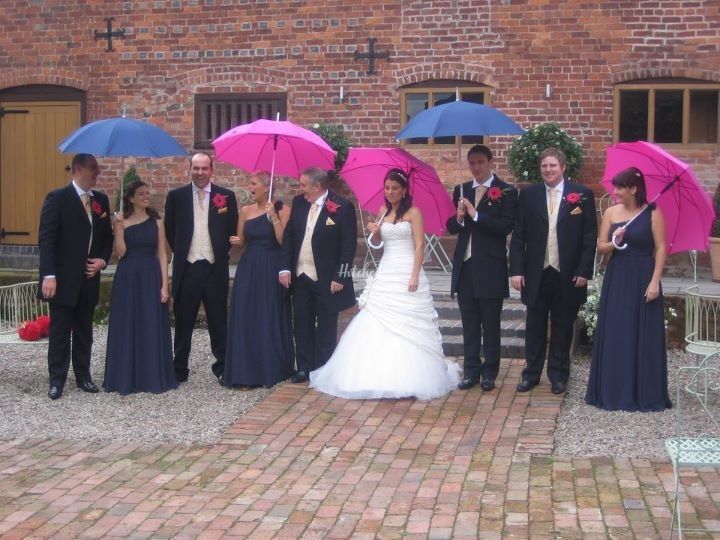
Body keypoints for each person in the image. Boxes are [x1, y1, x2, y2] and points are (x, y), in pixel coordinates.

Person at [310, 169, 460, 399]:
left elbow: (419, 245)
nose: (390, 192)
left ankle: (411, 376)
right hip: (387, 269)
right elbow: (378, 246)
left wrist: (414, 275)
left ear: (404, 190)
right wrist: (376, 233)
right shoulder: (382, 212)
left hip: (407, 267)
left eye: (395, 188)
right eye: (387, 187)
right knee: (376, 316)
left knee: (407, 321)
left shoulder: (414, 213)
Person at [509, 148, 597, 395]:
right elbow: (519, 236)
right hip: (536, 271)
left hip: (567, 272)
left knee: (563, 325)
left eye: (553, 166)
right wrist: (516, 270)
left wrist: (583, 270)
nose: (548, 170)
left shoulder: (582, 195)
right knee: (534, 325)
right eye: (544, 166)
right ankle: (531, 374)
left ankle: (559, 375)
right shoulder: (529, 195)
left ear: (563, 167)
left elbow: (589, 238)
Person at [585, 167, 671, 411]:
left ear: (634, 188)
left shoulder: (653, 213)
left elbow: (662, 248)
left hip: (644, 275)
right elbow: (600, 246)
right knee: (617, 330)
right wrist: (615, 241)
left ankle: (643, 391)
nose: (615, 192)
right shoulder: (611, 213)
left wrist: (655, 281)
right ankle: (613, 390)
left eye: (620, 187)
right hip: (618, 276)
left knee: (642, 332)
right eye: (615, 187)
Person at [38, 153, 113, 400]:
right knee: (60, 330)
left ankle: (83, 376)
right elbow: (47, 240)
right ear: (78, 169)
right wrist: (49, 275)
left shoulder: (100, 200)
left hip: (89, 277)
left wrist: (102, 260)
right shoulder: (58, 198)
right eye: (93, 168)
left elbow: (107, 238)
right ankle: (57, 380)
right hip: (62, 278)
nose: (97, 173)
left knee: (85, 330)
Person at [446, 145, 517, 391]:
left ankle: (490, 373)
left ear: (490, 161)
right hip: (465, 267)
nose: (476, 167)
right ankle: (471, 371)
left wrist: (476, 215)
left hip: (490, 266)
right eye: (472, 163)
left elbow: (505, 227)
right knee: (469, 323)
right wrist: (459, 217)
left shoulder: (506, 191)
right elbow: (451, 228)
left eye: (480, 162)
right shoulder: (461, 190)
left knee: (490, 324)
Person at [164, 152, 239, 383]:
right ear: (190, 169)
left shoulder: (226, 196)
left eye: (204, 168)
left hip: (215, 266)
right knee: (184, 319)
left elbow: (232, 228)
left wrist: (219, 252)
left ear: (211, 169)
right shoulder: (176, 196)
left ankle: (223, 366)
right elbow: (170, 229)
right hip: (187, 266)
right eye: (196, 168)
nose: (199, 173)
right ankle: (179, 368)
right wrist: (184, 251)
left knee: (218, 318)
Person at [279, 167, 357, 383]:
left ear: (317, 186)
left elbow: (348, 246)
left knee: (326, 325)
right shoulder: (299, 203)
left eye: (304, 185)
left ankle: (323, 368)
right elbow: (290, 236)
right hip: (301, 275)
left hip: (327, 279)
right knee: (301, 322)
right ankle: (304, 368)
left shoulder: (343, 207)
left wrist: (340, 277)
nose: (300, 188)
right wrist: (285, 267)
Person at [103, 180, 178, 395]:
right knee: (128, 322)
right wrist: (117, 228)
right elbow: (121, 253)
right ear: (131, 198)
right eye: (141, 193)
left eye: (148, 193)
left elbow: (163, 254)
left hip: (151, 275)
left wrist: (165, 285)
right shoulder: (122, 221)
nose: (147, 196)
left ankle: (152, 375)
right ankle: (126, 375)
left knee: (150, 322)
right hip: (128, 276)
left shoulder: (157, 221)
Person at [224, 173, 294, 388]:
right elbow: (242, 241)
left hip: (271, 265)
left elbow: (284, 241)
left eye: (253, 184)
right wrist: (237, 241)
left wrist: (273, 216)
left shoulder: (283, 209)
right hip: (249, 266)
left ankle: (270, 368)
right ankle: (245, 370)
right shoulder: (245, 211)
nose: (250, 187)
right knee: (246, 312)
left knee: (268, 313)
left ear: (266, 187)